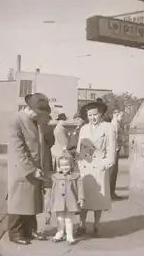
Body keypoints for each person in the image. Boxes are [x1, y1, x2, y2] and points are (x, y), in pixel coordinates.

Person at [6, 93, 52, 245]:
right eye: (37, 113)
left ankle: (30, 230)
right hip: (22, 168)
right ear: (29, 108)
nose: (38, 116)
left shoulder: (35, 122)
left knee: (31, 201)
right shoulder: (16, 120)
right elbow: (18, 150)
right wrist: (31, 169)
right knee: (19, 201)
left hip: (34, 167)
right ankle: (14, 233)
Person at [75, 100, 116, 236]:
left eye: (95, 114)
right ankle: (81, 224)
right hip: (86, 166)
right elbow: (79, 148)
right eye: (90, 115)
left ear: (101, 114)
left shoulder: (108, 127)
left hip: (99, 164)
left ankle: (97, 224)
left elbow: (111, 148)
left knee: (99, 198)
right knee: (83, 196)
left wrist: (106, 164)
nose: (92, 118)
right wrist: (80, 163)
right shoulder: (84, 128)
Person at [48, 152, 85, 245]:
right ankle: (60, 232)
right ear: (59, 166)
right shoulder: (56, 177)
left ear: (71, 165)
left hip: (71, 201)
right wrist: (50, 202)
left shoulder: (75, 176)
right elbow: (53, 191)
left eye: (67, 165)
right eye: (62, 165)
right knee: (59, 218)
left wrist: (81, 198)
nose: (65, 168)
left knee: (69, 219)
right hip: (59, 202)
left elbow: (80, 188)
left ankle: (69, 235)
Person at [110, 110, 124, 199]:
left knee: (114, 172)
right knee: (113, 172)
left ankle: (112, 192)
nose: (122, 118)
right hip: (114, 150)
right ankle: (111, 193)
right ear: (116, 115)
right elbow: (114, 139)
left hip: (115, 149)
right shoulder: (114, 125)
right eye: (121, 116)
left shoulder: (116, 125)